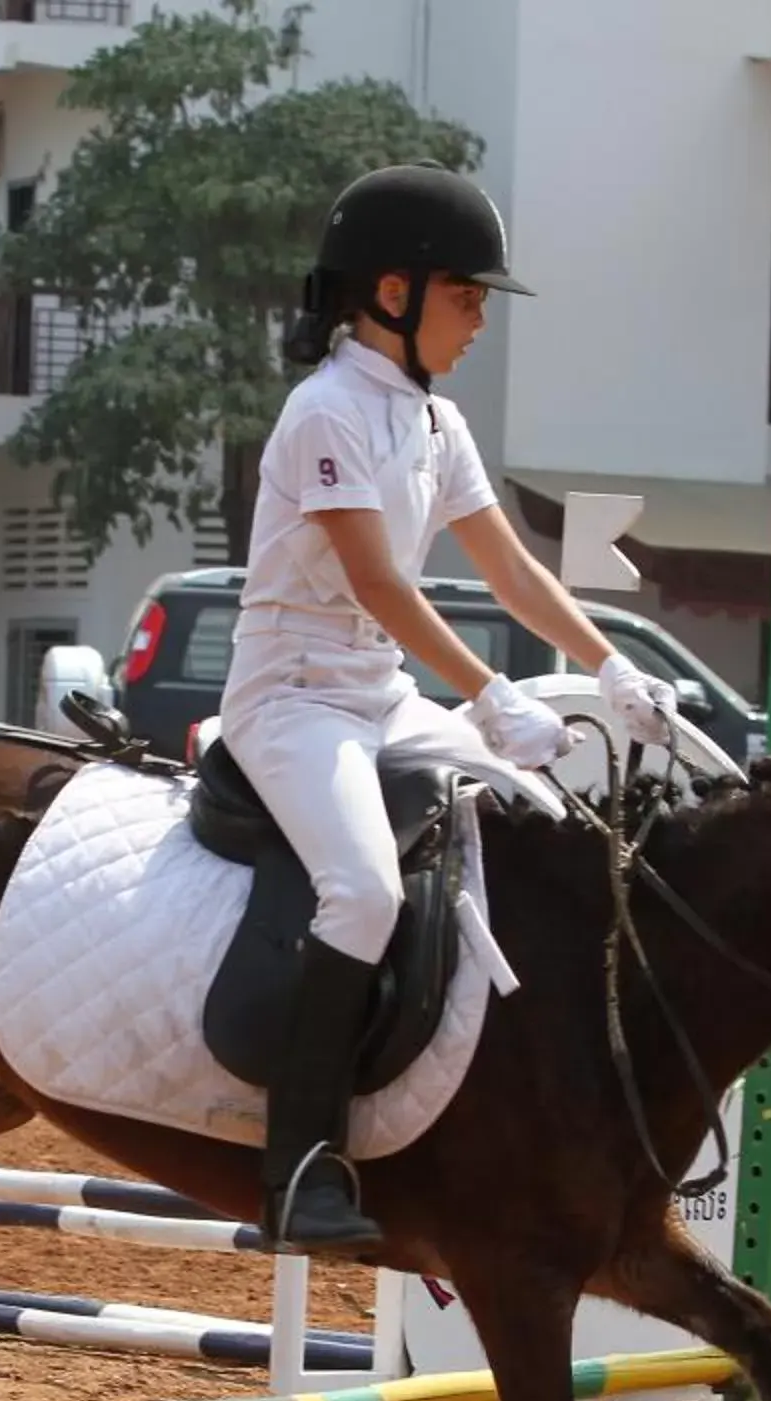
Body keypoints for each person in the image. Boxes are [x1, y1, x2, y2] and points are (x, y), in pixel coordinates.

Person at [224, 161, 681, 1251]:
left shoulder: (433, 420)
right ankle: (297, 1171)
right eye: (467, 296)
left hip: (374, 696)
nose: (480, 319)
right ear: (393, 291)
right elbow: (381, 582)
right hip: (290, 704)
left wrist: (608, 662)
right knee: (364, 894)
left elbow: (514, 570)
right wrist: (488, 693)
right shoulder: (324, 413)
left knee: (543, 821)